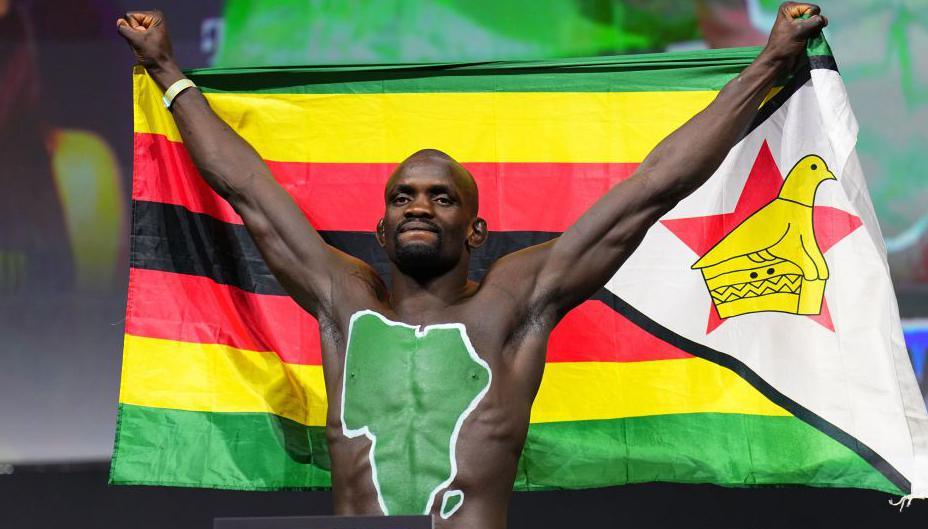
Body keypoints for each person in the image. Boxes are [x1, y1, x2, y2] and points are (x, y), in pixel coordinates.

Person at [117, 4, 827, 528]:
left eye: (440, 197)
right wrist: (168, 73)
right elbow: (250, 191)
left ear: (476, 227)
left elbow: (650, 189)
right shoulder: (346, 300)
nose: (418, 207)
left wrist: (766, 64)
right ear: (380, 225)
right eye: (402, 197)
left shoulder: (515, 301)